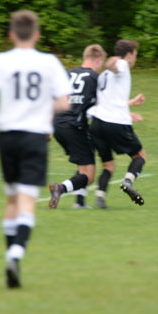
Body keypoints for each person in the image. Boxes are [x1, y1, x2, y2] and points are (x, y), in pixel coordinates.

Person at [0, 9, 70, 289]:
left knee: (12, 200)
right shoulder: (49, 62)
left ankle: (10, 258)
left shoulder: (0, 61)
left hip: (7, 137)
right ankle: (15, 255)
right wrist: (42, 109)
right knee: (27, 201)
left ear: (11, 35)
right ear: (37, 35)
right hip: (34, 136)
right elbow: (64, 103)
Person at [88, 39, 146, 209]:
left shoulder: (103, 75)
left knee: (108, 165)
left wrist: (130, 103)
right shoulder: (122, 64)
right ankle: (127, 182)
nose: (135, 59)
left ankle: (100, 196)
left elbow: (107, 100)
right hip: (115, 123)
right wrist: (111, 63)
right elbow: (114, 66)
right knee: (140, 156)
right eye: (135, 55)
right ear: (129, 54)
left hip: (97, 123)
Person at [48, 44, 107, 210]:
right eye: (101, 63)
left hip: (58, 124)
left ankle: (79, 203)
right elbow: (103, 103)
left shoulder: (66, 74)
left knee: (83, 164)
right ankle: (60, 188)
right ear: (98, 59)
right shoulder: (95, 78)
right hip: (75, 126)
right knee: (89, 175)